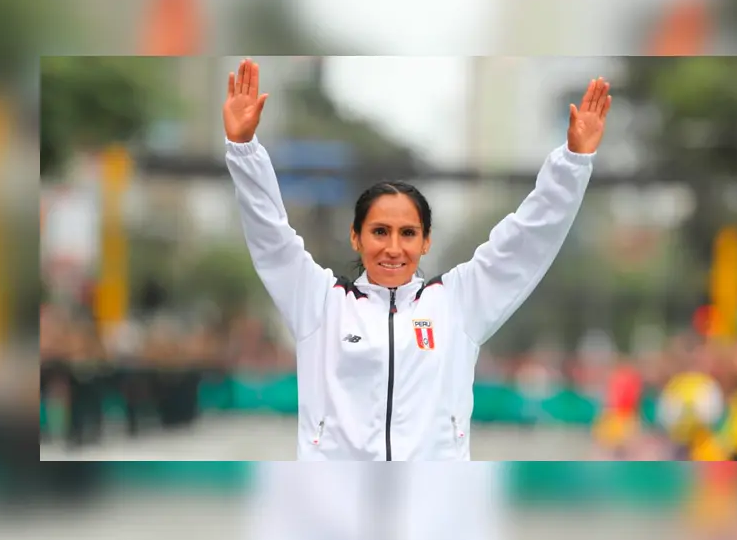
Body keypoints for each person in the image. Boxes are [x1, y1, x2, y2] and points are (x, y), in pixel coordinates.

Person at [223, 59, 612, 461]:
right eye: (379, 232)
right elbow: (271, 236)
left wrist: (573, 163)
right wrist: (244, 149)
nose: (393, 247)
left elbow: (528, 240)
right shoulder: (320, 302)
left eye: (408, 233)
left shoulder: (458, 302)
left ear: (426, 242)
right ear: (356, 237)